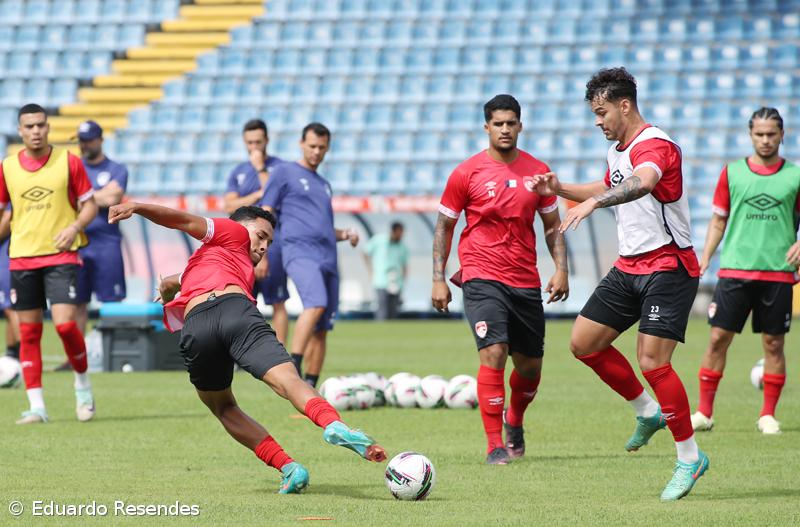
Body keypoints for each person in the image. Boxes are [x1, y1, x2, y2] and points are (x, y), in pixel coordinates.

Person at [107, 202, 386, 493]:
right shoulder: (234, 232)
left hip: (197, 325)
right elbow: (182, 220)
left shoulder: (203, 260)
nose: (265, 246)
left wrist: (166, 295)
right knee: (289, 380)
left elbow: (168, 284)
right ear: (241, 226)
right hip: (236, 312)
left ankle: (289, 468)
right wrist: (137, 207)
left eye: (269, 242)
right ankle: (332, 424)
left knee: (224, 407)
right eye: (261, 235)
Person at [532, 68, 708, 501]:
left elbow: (642, 181)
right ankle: (647, 412)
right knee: (583, 342)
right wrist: (563, 188)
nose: (597, 121)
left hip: (668, 266)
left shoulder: (656, 145)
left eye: (601, 111)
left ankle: (689, 457)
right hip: (629, 266)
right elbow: (611, 181)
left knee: (652, 362)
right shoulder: (618, 149)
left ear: (624, 105)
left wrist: (593, 201)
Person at [431, 94, 569, 465]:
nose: (505, 129)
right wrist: (438, 278)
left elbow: (553, 227)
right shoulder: (466, 172)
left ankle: (514, 420)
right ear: (486, 127)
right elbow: (445, 226)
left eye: (511, 123)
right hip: (480, 275)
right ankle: (494, 445)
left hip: (524, 279)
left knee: (529, 369)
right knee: (493, 352)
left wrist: (561, 269)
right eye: (498, 123)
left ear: (520, 126)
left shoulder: (537, 171)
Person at [691, 107, 800, 435]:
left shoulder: (795, 176)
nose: (765, 140)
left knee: (773, 345)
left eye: (771, 134)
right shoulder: (732, 173)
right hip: (735, 269)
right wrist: (705, 256)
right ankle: (704, 413)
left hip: (777, 272)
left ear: (782, 135)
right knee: (717, 339)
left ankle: (767, 415)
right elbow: (718, 219)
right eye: (759, 134)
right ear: (750, 135)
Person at [0, 103, 98, 424]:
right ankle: (37, 406)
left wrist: (73, 228)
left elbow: (90, 205)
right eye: (29, 126)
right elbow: (4, 213)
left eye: (40, 125)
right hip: (22, 258)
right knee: (28, 333)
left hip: (61, 256)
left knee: (66, 325)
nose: (36, 131)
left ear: (48, 127)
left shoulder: (68, 162)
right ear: (20, 130)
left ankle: (82, 387)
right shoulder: (8, 167)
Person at [260, 123, 359, 388]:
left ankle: (311, 388)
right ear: (301, 144)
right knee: (315, 304)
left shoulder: (324, 184)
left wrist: (345, 234)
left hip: (328, 255)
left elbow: (323, 228)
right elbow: (265, 213)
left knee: (323, 325)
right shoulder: (284, 172)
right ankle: (292, 370)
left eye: (322, 148)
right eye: (312, 146)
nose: (316, 152)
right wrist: (263, 253)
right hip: (299, 251)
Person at [53, 120, 128, 372]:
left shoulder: (116, 169)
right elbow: (68, 198)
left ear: (100, 140)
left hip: (106, 244)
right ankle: (76, 357)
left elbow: (114, 197)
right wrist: (97, 195)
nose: (84, 145)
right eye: (81, 140)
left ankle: (115, 356)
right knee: (77, 303)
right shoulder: (73, 167)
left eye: (89, 140)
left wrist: (82, 195)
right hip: (79, 245)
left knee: (111, 300)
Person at [224, 119, 289, 344]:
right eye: (250, 143)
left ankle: (279, 354)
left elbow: (274, 196)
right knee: (241, 300)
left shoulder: (280, 168)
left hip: (273, 243)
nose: (254, 147)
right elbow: (229, 205)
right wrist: (255, 196)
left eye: (258, 142)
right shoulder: (238, 171)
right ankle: (242, 349)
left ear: (267, 141)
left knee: (277, 301)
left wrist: (260, 168)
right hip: (242, 247)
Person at [364, 221, 409, 320]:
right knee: (382, 310)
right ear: (393, 231)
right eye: (399, 233)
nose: (400, 236)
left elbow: (405, 265)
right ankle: (379, 333)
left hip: (396, 282)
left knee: (393, 311)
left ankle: (392, 334)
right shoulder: (378, 240)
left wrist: (403, 281)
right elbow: (365, 252)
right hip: (381, 280)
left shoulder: (403, 247)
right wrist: (370, 271)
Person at [0, 208, 20, 361]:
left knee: (11, 306)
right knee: (9, 307)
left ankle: (25, 352)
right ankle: (12, 354)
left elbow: (8, 216)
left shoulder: (6, 184)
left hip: (9, 250)